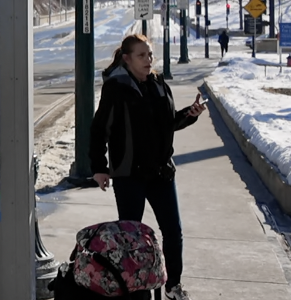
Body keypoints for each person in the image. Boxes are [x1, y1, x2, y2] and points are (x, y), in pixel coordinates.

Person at [89, 34, 207, 300]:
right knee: (131, 237)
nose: (148, 60)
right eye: (141, 55)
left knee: (173, 231)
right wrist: (99, 167)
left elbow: (168, 123)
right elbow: (99, 130)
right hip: (129, 174)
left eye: (150, 54)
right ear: (127, 59)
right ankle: (134, 290)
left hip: (161, 172)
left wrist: (189, 115)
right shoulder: (116, 88)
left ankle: (173, 286)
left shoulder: (158, 84)